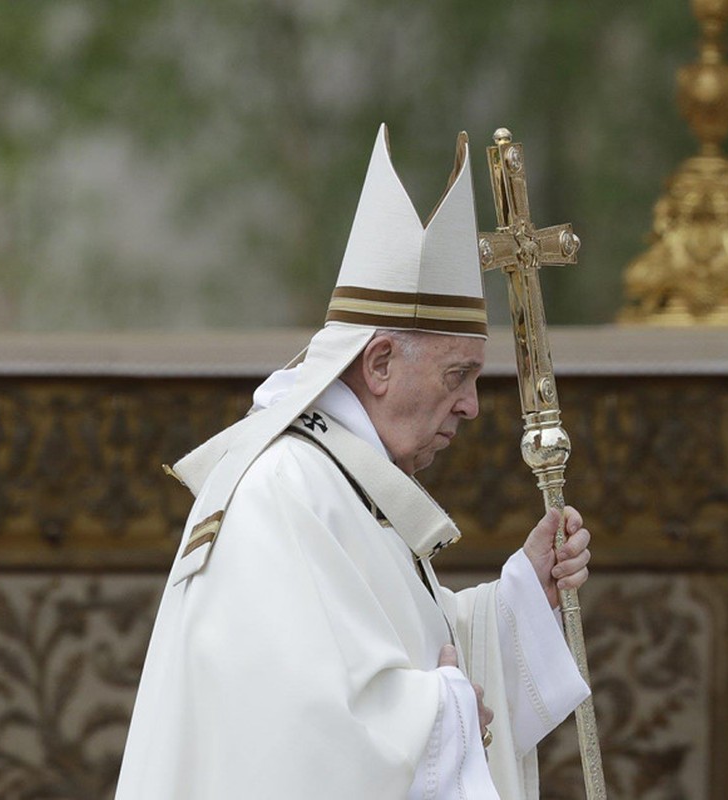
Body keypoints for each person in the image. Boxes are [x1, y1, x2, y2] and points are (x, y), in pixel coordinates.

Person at [115, 124, 593, 799]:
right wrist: (447, 714)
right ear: (379, 363)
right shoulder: (283, 491)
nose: (471, 408)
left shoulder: (341, 482)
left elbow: (393, 654)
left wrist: (520, 601)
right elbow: (296, 731)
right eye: (456, 377)